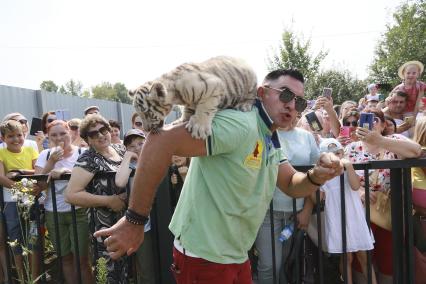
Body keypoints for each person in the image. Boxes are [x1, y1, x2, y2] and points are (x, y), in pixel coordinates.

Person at [94, 69, 343, 283]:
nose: (291, 105)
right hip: (204, 257)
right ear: (262, 92)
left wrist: (316, 176)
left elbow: (290, 183)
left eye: (299, 102)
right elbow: (160, 140)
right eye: (286, 95)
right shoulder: (240, 123)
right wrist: (135, 220)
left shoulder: (267, 133)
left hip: (234, 255)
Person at [345, 108, 421, 283]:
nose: (367, 124)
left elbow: (416, 151)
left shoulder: (392, 141)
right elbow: (340, 180)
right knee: (360, 263)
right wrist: (359, 192)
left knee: (388, 261)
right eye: (361, 121)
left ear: (384, 124)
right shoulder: (351, 148)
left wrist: (379, 140)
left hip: (389, 215)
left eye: (373, 120)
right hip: (360, 214)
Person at [255, 111, 319, 283]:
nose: (288, 110)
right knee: (269, 265)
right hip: (266, 212)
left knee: (285, 264)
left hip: (295, 214)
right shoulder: (261, 133)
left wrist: (307, 209)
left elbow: (315, 177)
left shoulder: (307, 137)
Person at [64, 114, 128, 283]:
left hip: (128, 223)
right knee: (110, 274)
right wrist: (109, 201)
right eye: (93, 134)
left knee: (131, 272)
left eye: (103, 130)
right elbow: (71, 194)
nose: (100, 135)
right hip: (105, 227)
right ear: (87, 140)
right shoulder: (88, 158)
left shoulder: (121, 150)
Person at [34, 120, 93, 283]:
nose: (59, 137)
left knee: (82, 260)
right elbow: (39, 186)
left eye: (63, 133)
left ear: (70, 133)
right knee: (65, 258)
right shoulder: (44, 155)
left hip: (79, 211)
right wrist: (51, 163)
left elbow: (91, 179)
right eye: (54, 135)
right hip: (54, 213)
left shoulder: (82, 153)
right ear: (48, 137)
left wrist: (67, 171)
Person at [318, 138, 376, 284]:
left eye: (338, 153)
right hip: (337, 217)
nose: (336, 157)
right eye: (331, 154)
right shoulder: (323, 175)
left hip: (355, 216)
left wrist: (348, 166)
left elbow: (356, 186)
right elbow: (318, 198)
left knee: (364, 256)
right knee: (346, 258)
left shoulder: (347, 168)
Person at [0, 120, 39, 282]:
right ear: (3, 138)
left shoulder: (30, 149)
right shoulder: (1, 153)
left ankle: (34, 278)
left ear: (24, 135)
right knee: (16, 240)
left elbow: (37, 171)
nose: (16, 139)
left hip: (31, 200)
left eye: (19, 135)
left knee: (33, 240)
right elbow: (1, 178)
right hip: (11, 202)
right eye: (11, 136)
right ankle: (23, 278)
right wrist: (24, 189)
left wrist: (19, 172)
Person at [115, 129, 155, 284]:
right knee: (141, 268)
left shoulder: (155, 160)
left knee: (152, 266)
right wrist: (127, 158)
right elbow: (120, 182)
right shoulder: (129, 166)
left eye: (140, 143)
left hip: (157, 222)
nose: (137, 148)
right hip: (139, 225)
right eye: (131, 146)